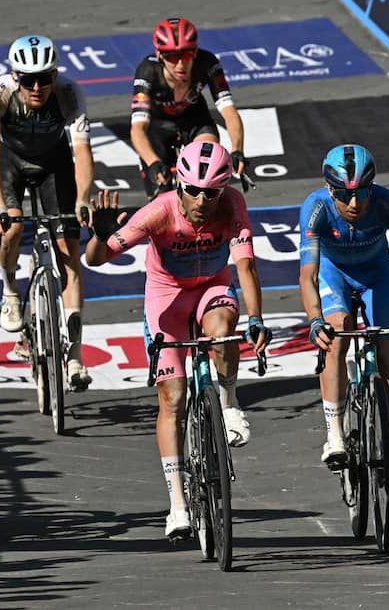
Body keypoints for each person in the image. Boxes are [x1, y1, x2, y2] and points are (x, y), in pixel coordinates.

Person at [85, 141, 273, 538]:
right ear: (179, 183)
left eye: (212, 192)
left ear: (223, 190)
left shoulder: (232, 204)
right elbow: (95, 260)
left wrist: (255, 318)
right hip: (166, 298)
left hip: (211, 288)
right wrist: (101, 237)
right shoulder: (159, 212)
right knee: (173, 397)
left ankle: (229, 402)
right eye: (193, 190)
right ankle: (177, 506)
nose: (202, 200)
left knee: (222, 330)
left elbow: (246, 264)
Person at [298, 143, 389, 484]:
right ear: (329, 189)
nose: (355, 204)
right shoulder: (315, 208)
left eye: (362, 193)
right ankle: (334, 433)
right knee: (337, 329)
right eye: (345, 196)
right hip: (334, 274)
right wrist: (315, 319)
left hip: (376, 275)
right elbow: (308, 275)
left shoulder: (387, 203)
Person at [0, 34, 95, 391]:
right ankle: (10, 289)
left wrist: (83, 199)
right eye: (27, 79)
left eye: (43, 78)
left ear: (55, 74)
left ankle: (75, 356)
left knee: (69, 254)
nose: (36, 86)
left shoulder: (69, 92)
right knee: (12, 229)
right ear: (14, 77)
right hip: (12, 164)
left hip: (54, 165)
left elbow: (83, 152)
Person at [131, 17, 247, 201]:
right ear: (159, 54)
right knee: (159, 198)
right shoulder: (147, 71)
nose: (179, 65)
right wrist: (153, 162)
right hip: (158, 126)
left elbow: (229, 112)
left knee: (206, 177)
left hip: (195, 119)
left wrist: (237, 150)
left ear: (195, 52)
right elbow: (138, 129)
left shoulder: (207, 63)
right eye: (171, 56)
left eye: (185, 56)